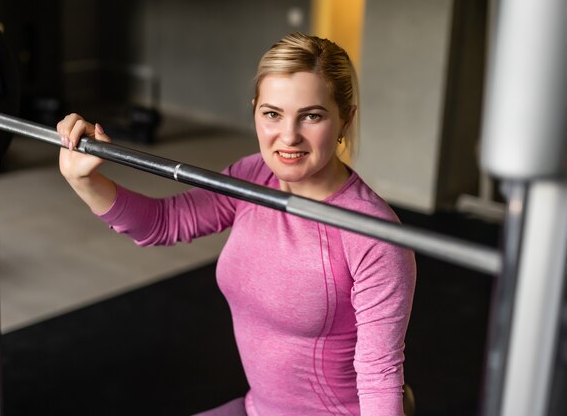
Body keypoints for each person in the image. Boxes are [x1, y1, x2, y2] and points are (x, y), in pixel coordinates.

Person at [57, 32, 416, 416]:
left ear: (345, 118)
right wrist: (86, 180)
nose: (288, 136)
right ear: (255, 112)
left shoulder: (373, 236)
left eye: (312, 115)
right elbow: (163, 223)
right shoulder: (252, 177)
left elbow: (379, 378)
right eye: (272, 114)